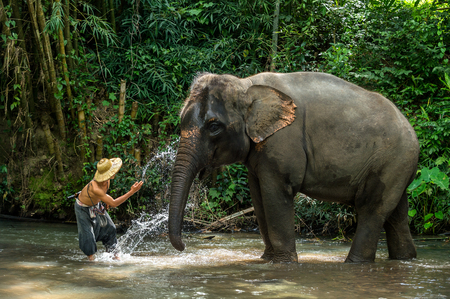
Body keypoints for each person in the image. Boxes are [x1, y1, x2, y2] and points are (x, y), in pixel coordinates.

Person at [74, 157, 143, 261]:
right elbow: (114, 203)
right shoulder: (95, 187)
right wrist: (131, 192)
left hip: (96, 204)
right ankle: (91, 261)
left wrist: (105, 200)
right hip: (83, 208)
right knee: (87, 235)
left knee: (110, 228)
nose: (114, 174)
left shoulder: (106, 180)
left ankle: (114, 255)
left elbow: (105, 196)